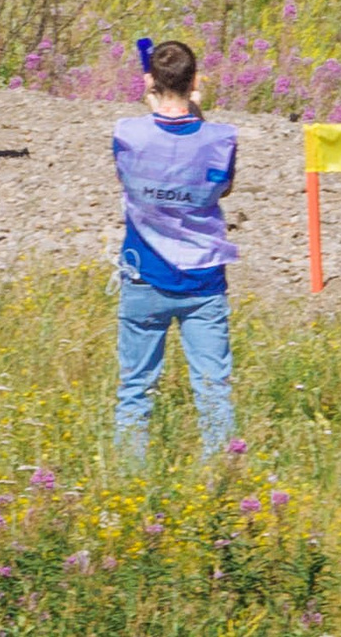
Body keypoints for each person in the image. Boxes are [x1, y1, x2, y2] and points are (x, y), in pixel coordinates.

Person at [111, 37, 239, 462]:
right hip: (203, 281)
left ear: (150, 81)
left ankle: (128, 476)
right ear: (195, 81)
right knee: (213, 388)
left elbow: (128, 177)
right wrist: (196, 111)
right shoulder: (222, 140)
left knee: (135, 389)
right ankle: (221, 475)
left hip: (144, 274)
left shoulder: (127, 134)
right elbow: (223, 187)